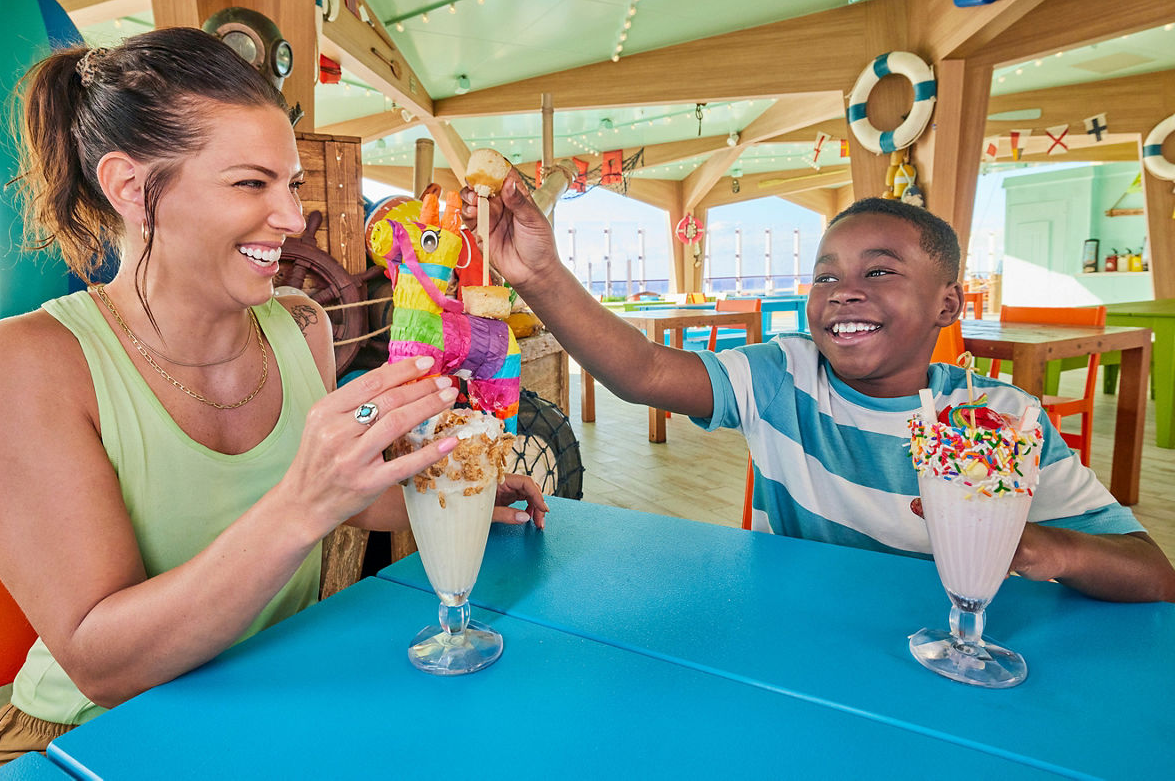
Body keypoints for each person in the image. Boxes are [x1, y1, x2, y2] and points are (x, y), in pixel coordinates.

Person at [0, 27, 546, 773]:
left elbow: (340, 497)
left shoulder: (299, 325)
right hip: (89, 738)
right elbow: (103, 664)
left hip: (269, 699)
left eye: (291, 185)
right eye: (250, 184)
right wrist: (302, 501)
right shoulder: (17, 367)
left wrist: (453, 494)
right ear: (132, 189)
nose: (294, 220)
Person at [462, 180, 1175, 604]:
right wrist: (539, 275)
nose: (844, 293)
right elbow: (642, 372)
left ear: (949, 305)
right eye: (826, 276)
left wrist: (1039, 548)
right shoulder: (783, 376)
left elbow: (1152, 572)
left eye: (881, 271)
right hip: (793, 631)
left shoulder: (1000, 419)